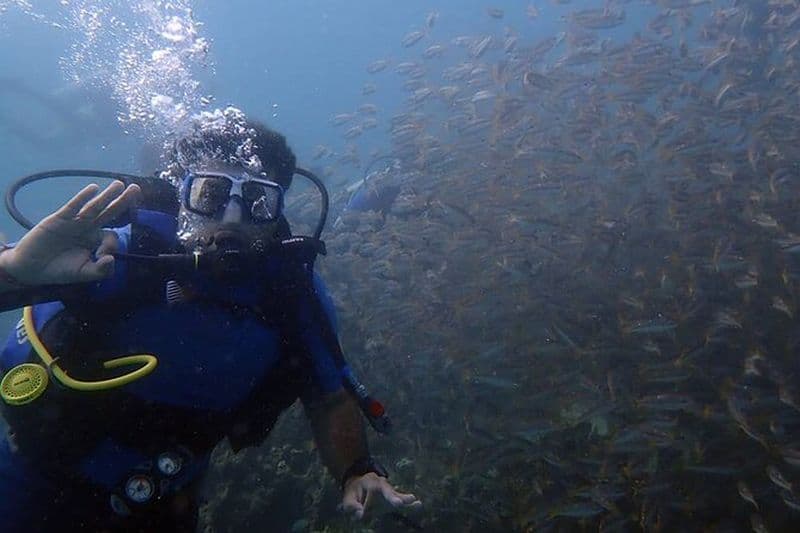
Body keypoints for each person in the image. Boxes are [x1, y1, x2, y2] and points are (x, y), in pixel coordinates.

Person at [0, 119, 421, 532]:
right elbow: (23, 276)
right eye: (211, 194)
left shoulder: (293, 295)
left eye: (258, 201)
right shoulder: (128, 253)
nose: (232, 219)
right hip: (29, 477)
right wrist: (15, 270)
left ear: (277, 215)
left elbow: (329, 397)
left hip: (164, 502)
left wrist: (356, 470)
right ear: (182, 197)